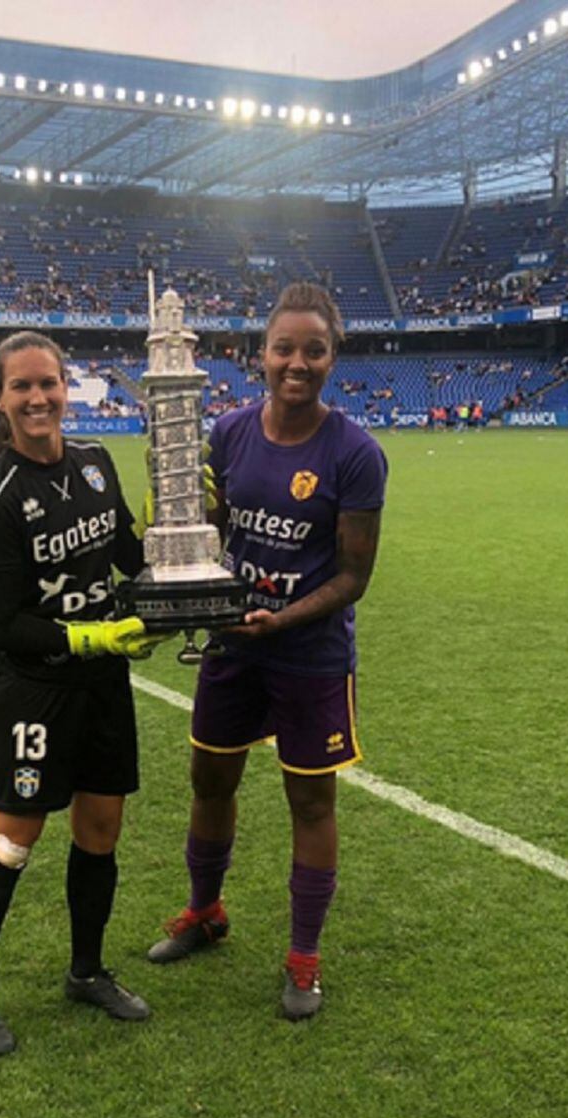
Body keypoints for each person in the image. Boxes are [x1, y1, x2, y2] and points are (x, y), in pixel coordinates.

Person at [146, 282, 388, 1022]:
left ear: (331, 358)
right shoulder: (225, 434)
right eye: (284, 347)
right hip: (232, 645)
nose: (297, 362)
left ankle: (304, 959)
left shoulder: (355, 453)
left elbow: (354, 575)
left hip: (307, 654)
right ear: (260, 354)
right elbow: (204, 530)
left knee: (309, 799)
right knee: (209, 779)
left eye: (314, 350)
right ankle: (205, 911)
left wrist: (280, 621)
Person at [0, 330, 167, 1056]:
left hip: (102, 688)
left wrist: (181, 541)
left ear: (65, 388)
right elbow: (6, 626)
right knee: (12, 843)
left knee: (101, 831)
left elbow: (130, 558)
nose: (38, 397)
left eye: (48, 383)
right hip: (34, 692)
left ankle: (86, 971)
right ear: (0, 399)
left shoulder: (95, 465)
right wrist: (90, 637)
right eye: (22, 387)